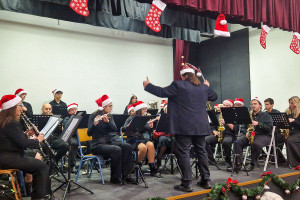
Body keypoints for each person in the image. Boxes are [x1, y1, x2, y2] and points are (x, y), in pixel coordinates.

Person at [143, 62, 217, 192]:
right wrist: (206, 87)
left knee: (184, 153)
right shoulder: (202, 87)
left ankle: (187, 183)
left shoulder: (177, 85)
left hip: (184, 126)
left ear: (182, 76)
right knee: (202, 151)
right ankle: (206, 180)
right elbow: (213, 96)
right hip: (200, 126)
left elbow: (161, 92)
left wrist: (148, 85)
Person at [0, 95, 49, 200]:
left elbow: (14, 139)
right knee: (41, 167)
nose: (21, 108)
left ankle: (39, 192)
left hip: (7, 155)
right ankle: (38, 197)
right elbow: (23, 144)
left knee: (38, 161)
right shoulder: (11, 123)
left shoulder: (5, 120)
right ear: (12, 108)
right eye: (19, 105)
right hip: (8, 158)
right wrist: (37, 140)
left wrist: (27, 134)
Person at [88, 94, 134, 184]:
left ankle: (126, 175)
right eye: (110, 106)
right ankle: (115, 178)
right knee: (116, 150)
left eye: (111, 106)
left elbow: (114, 129)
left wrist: (108, 122)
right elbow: (89, 133)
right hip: (97, 144)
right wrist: (94, 124)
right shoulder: (93, 115)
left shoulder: (109, 116)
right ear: (104, 106)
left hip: (109, 142)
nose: (111, 108)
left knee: (127, 146)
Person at [235, 97, 273, 171]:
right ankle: (238, 164)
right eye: (251, 104)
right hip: (251, 134)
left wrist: (258, 124)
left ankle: (252, 163)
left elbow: (269, 128)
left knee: (256, 144)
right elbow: (244, 126)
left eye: (255, 104)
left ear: (260, 105)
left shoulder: (266, 115)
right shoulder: (249, 114)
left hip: (263, 135)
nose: (253, 106)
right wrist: (246, 132)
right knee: (238, 142)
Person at [122, 101, 157, 176]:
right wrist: (128, 125)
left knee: (150, 145)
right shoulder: (131, 118)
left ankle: (152, 167)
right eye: (144, 109)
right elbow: (123, 129)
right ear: (139, 110)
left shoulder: (144, 118)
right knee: (143, 148)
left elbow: (148, 129)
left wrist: (150, 126)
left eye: (146, 109)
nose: (146, 111)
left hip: (141, 138)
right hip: (132, 139)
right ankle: (137, 164)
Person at [62, 103, 79, 173]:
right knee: (73, 143)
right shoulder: (66, 119)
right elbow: (67, 127)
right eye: (72, 110)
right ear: (69, 112)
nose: (74, 111)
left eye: (75, 110)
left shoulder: (79, 118)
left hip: (79, 137)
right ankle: (72, 165)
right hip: (70, 137)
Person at [285, 96, 300, 167]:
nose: (290, 105)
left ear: (296, 104)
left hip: (298, 132)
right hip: (293, 132)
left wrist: (294, 120)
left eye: (292, 103)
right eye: (289, 103)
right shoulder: (289, 112)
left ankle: (296, 161)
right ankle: (290, 161)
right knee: (282, 138)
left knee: (290, 140)